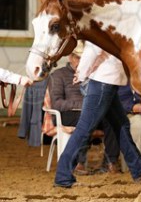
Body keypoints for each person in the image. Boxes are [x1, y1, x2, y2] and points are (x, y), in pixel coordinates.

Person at [54, 41, 141, 188]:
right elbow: (94, 49)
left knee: (121, 125)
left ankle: (140, 170)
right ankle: (63, 176)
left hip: (109, 80)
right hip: (103, 81)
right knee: (85, 129)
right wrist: (81, 73)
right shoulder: (105, 28)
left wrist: (82, 73)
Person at [48, 41, 120, 175]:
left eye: (83, 58)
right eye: (77, 58)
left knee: (111, 121)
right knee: (87, 120)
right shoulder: (58, 75)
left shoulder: (93, 74)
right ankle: (79, 163)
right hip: (68, 114)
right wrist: (84, 106)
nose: (81, 61)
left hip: (92, 111)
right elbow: (57, 103)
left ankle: (111, 162)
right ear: (70, 57)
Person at [118, 85, 141, 156]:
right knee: (138, 124)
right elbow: (112, 101)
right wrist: (132, 107)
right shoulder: (119, 80)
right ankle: (137, 161)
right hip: (125, 114)